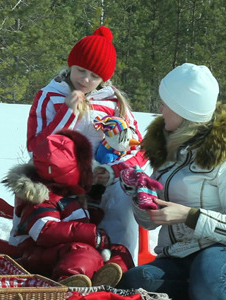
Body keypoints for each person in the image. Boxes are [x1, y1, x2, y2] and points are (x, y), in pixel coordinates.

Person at [117, 63, 226, 300]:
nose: (160, 109)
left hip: (225, 251)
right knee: (135, 282)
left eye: (166, 104)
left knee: (208, 284)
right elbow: (149, 223)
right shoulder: (166, 149)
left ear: (184, 112)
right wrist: (138, 193)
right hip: (178, 254)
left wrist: (189, 215)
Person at [26, 25, 146, 261]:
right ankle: (59, 260)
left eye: (95, 76)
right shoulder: (49, 96)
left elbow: (138, 148)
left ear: (105, 79)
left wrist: (112, 171)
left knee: (123, 197)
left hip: (102, 181)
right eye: (81, 70)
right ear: (70, 65)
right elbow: (36, 147)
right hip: (58, 179)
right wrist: (69, 113)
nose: (86, 79)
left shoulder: (114, 104)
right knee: (58, 215)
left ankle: (120, 262)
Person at [3, 129, 134, 287]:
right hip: (37, 253)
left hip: (62, 250)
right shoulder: (41, 197)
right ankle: (68, 282)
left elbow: (76, 218)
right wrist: (91, 234)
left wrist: (93, 202)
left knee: (120, 251)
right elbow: (44, 231)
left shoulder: (67, 194)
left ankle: (113, 278)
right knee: (82, 252)